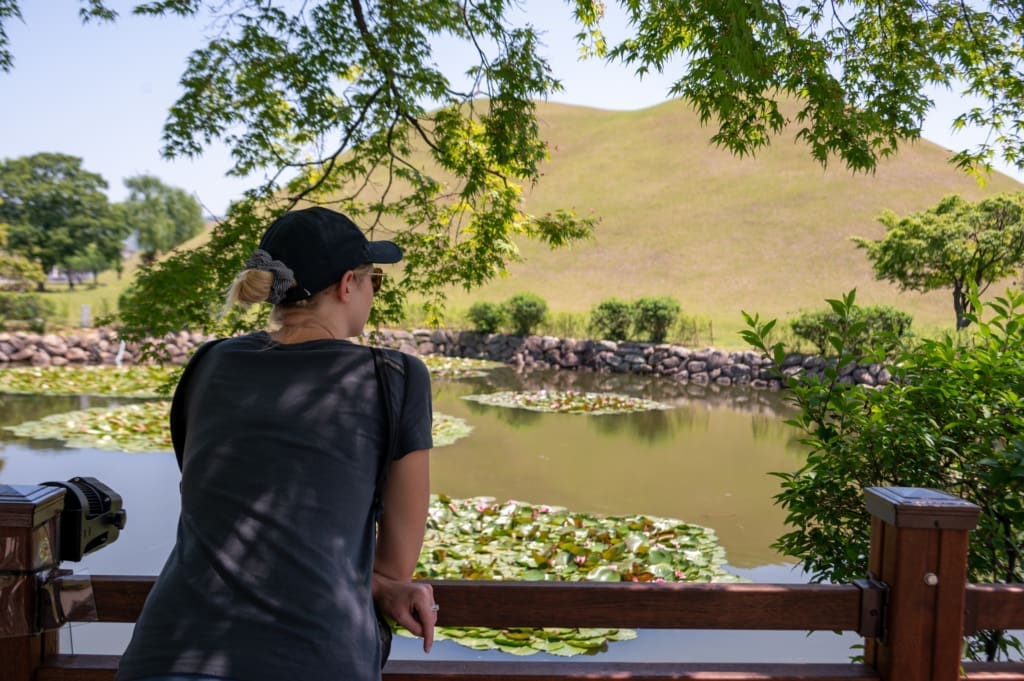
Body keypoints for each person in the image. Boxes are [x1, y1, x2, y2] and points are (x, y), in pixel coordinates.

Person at [116, 207, 436, 681]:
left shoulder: (209, 363)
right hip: (314, 660)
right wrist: (385, 586)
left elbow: (216, 503)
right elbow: (392, 568)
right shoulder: (395, 378)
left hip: (164, 657)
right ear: (348, 284)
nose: (373, 293)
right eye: (375, 281)